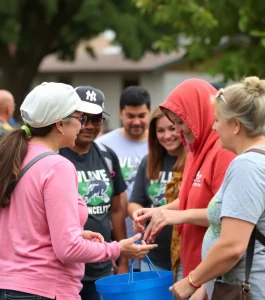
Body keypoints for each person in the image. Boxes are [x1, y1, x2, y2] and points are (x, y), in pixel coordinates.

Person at [0, 82, 157, 300]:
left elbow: (25, 227)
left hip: (12, 285)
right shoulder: (58, 166)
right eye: (80, 119)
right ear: (60, 124)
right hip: (44, 288)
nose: (82, 126)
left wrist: (77, 234)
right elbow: (67, 250)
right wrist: (117, 249)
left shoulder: (18, 155)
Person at [170, 76, 265, 299]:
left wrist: (192, 281)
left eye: (218, 120)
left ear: (236, 125)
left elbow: (232, 245)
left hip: (255, 290)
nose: (213, 126)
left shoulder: (247, 166)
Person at [132, 79, 235, 286]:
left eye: (180, 122)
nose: (178, 131)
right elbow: (189, 200)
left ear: (198, 113)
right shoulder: (194, 150)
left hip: (213, 271)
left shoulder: (222, 151)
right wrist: (158, 211)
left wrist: (174, 216)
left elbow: (227, 215)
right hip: (191, 264)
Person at [59, 86, 128, 300]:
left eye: (96, 120)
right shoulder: (55, 156)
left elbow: (116, 210)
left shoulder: (107, 156)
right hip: (65, 269)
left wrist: (122, 259)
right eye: (84, 119)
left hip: (102, 266)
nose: (89, 126)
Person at [96, 86, 151, 270]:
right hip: (113, 243)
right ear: (120, 113)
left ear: (150, 112)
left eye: (142, 115)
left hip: (152, 243)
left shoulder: (160, 144)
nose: (136, 121)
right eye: (130, 116)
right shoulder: (102, 145)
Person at [128, 107, 187, 278]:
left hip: (185, 256)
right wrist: (138, 215)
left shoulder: (193, 160)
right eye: (160, 130)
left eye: (171, 128)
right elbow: (135, 201)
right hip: (153, 258)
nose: (167, 136)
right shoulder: (149, 161)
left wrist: (158, 212)